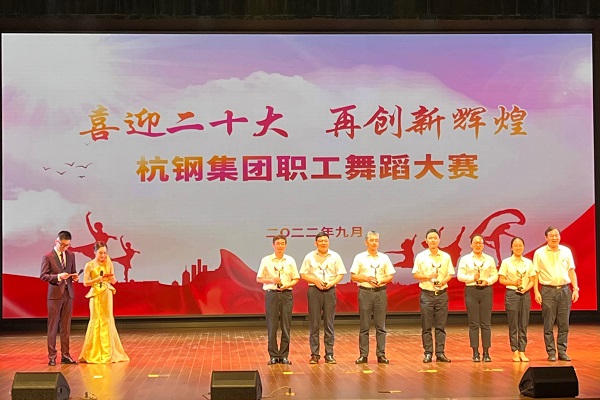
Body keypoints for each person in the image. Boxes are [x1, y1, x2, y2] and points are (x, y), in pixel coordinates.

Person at [533, 227, 579, 362]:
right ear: (546, 238)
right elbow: (535, 273)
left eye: (556, 235)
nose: (554, 238)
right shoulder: (539, 253)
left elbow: (571, 271)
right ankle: (551, 352)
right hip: (547, 290)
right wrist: (536, 291)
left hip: (565, 290)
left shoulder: (566, 251)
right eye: (551, 235)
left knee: (564, 323)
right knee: (548, 323)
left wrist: (576, 288)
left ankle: (562, 351)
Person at [78, 241, 130, 363]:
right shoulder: (89, 265)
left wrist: (111, 277)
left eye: (105, 253)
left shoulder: (109, 263)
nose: (103, 255)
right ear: (95, 252)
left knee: (107, 320)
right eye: (100, 253)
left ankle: (108, 352)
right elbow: (85, 283)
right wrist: (97, 279)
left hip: (107, 293)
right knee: (96, 320)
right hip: (95, 294)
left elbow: (114, 281)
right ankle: (93, 352)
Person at [300, 231, 347, 364]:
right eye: (320, 241)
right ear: (316, 243)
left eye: (325, 240)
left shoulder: (335, 256)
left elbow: (341, 274)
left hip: (330, 290)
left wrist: (331, 283)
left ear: (329, 242)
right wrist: (315, 281)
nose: (323, 243)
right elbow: (303, 274)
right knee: (314, 324)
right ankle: (315, 354)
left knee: (329, 323)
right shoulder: (309, 256)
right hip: (314, 291)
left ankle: (329, 354)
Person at [350, 231, 395, 364]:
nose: (374, 243)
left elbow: (390, 276)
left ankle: (381, 354)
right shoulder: (359, 257)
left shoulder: (384, 258)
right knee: (364, 326)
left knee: (381, 326)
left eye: (376, 240)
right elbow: (353, 276)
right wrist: (366, 278)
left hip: (380, 292)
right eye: (372, 240)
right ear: (366, 242)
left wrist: (381, 281)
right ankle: (363, 355)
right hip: (365, 292)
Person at [412, 228, 455, 363]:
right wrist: (428, 276)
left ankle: (440, 353)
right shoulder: (421, 256)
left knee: (441, 326)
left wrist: (443, 281)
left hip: (441, 294)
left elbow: (450, 273)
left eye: (435, 238)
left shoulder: (446, 256)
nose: (433, 240)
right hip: (427, 294)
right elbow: (415, 274)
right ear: (426, 240)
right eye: (430, 238)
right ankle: (428, 353)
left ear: (439, 240)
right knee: (426, 326)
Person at [256, 234, 300, 365]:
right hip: (272, 294)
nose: (280, 246)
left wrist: (288, 285)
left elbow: (296, 278)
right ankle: (273, 355)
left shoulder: (290, 260)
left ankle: (284, 355)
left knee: (286, 326)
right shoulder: (266, 260)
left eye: (282, 243)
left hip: (286, 294)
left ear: (285, 245)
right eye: (278, 243)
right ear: (273, 245)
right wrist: (271, 280)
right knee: (272, 326)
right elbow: (258, 278)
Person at [40, 230, 79, 366]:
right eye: (62, 245)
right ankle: (52, 356)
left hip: (68, 294)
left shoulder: (71, 255)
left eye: (67, 245)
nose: (65, 247)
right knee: (53, 327)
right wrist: (58, 276)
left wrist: (74, 277)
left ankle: (65, 355)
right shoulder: (48, 257)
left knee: (66, 327)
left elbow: (72, 272)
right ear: (56, 241)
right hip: (55, 295)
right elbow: (43, 276)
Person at [457, 234, 498, 362]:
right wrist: (472, 278)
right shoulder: (465, 259)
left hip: (486, 290)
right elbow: (460, 276)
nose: (478, 245)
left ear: (483, 245)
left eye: (480, 243)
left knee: (486, 323)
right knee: (473, 323)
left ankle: (486, 352)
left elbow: (495, 275)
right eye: (475, 243)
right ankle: (475, 352)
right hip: (471, 291)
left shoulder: (490, 259)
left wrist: (487, 281)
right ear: (471, 245)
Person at [498, 237, 536, 362]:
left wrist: (526, 289)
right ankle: (514, 350)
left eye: (520, 245)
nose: (518, 248)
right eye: (515, 245)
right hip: (512, 294)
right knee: (513, 323)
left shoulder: (528, 262)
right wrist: (514, 283)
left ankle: (522, 350)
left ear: (523, 247)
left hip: (525, 294)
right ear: (511, 247)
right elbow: (501, 279)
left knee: (523, 323)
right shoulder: (506, 262)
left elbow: (532, 280)